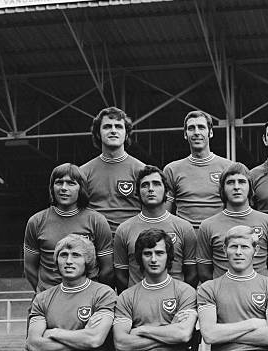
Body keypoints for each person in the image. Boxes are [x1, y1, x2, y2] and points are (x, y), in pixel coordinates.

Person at [24, 163, 113, 293]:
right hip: (49, 297)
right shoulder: (36, 221)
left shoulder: (96, 221)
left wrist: (94, 293)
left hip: (87, 298)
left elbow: (107, 269)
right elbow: (29, 268)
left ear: (81, 188)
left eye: (71, 183)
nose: (64, 188)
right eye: (59, 182)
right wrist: (46, 294)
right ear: (52, 187)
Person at [114, 165, 197, 293]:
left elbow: (191, 274)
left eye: (156, 184)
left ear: (167, 192)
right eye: (145, 185)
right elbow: (120, 276)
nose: (151, 189)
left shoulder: (184, 228)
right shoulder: (124, 230)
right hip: (138, 303)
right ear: (137, 192)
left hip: (175, 303)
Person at [197, 162, 268, 282]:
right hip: (223, 294)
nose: (236, 187)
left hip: (259, 293)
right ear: (222, 189)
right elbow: (204, 272)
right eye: (230, 182)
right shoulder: (207, 226)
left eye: (241, 182)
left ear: (250, 187)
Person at [79, 107, 145, 235]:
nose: (113, 131)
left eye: (119, 127)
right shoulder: (83, 172)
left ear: (126, 134)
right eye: (107, 126)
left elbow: (152, 211)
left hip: (132, 241)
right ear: (98, 133)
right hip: (95, 242)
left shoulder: (142, 170)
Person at [164, 110, 231, 229]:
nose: (196, 132)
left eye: (201, 127)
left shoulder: (228, 167)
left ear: (210, 132)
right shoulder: (172, 170)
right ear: (185, 134)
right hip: (185, 238)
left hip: (218, 237)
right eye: (191, 128)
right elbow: (165, 215)